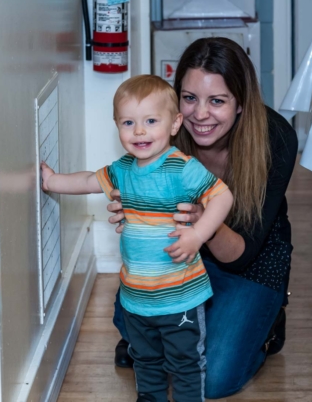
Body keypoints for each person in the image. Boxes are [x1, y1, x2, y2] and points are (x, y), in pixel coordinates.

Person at [109, 38, 298, 399]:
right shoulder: (163, 125)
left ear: (241, 102)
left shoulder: (277, 139)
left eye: (217, 101)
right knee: (131, 317)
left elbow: (240, 255)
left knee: (212, 379)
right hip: (183, 256)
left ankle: (267, 326)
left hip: (249, 261)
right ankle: (176, 339)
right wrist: (130, 209)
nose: (199, 114)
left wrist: (202, 220)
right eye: (189, 97)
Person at [41, 74, 233, 402]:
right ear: (117, 126)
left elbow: (222, 196)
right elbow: (89, 180)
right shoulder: (123, 169)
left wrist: (198, 235)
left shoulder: (181, 168)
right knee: (145, 361)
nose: (139, 131)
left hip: (180, 297)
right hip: (136, 297)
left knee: (185, 363)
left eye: (150, 121)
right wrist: (52, 181)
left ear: (174, 124)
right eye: (128, 122)